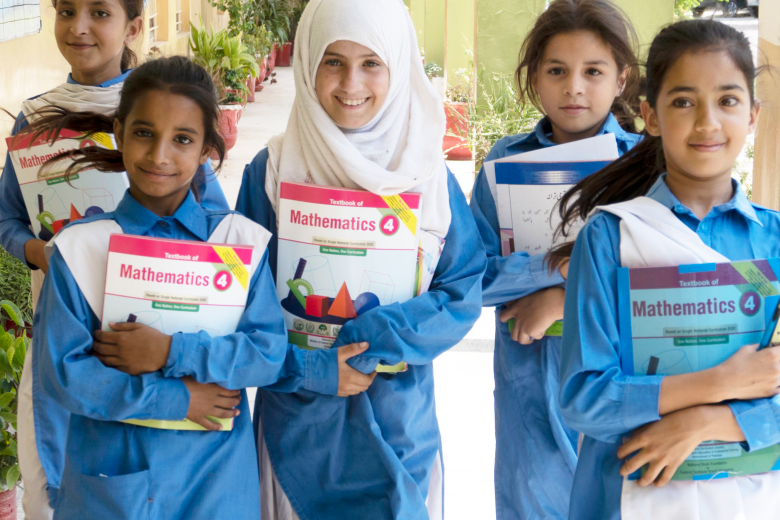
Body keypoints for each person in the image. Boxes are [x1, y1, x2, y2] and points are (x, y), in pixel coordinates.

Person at [24, 56, 370, 519]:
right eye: (144, 133)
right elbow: (66, 379)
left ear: (209, 149)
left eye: (182, 139)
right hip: (114, 490)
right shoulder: (80, 249)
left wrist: (171, 352)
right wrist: (180, 398)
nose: (159, 155)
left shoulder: (239, 243)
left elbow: (265, 354)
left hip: (219, 485)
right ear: (120, 131)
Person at [235, 0, 485, 518]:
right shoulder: (272, 171)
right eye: (333, 61)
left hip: (399, 423)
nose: (351, 83)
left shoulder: (426, 174)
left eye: (371, 62)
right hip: (299, 427)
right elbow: (243, 306)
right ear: (307, 64)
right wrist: (313, 369)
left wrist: (380, 333)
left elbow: (462, 291)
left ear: (400, 64)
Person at [0, 0, 228, 516]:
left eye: (99, 12)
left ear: (133, 26)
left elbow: (217, 235)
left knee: (140, 488)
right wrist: (40, 252)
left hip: (153, 342)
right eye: (65, 10)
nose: (78, 27)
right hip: (62, 342)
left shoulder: (164, 111)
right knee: (51, 484)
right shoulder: (34, 118)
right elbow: (7, 220)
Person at [558, 19, 780, 520]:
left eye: (727, 101)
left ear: (753, 116)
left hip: (751, 499)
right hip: (622, 498)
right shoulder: (612, 236)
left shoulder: (775, 240)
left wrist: (707, 423)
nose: (707, 123)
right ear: (649, 116)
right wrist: (720, 382)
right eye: (683, 101)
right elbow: (581, 398)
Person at [467, 1, 641, 517]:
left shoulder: (645, 164)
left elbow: (664, 286)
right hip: (530, 393)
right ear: (534, 79)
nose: (575, 88)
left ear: (621, 78)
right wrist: (557, 268)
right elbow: (467, 278)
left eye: (593, 71)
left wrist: (565, 299)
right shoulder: (504, 162)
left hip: (619, 386)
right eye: (557, 71)